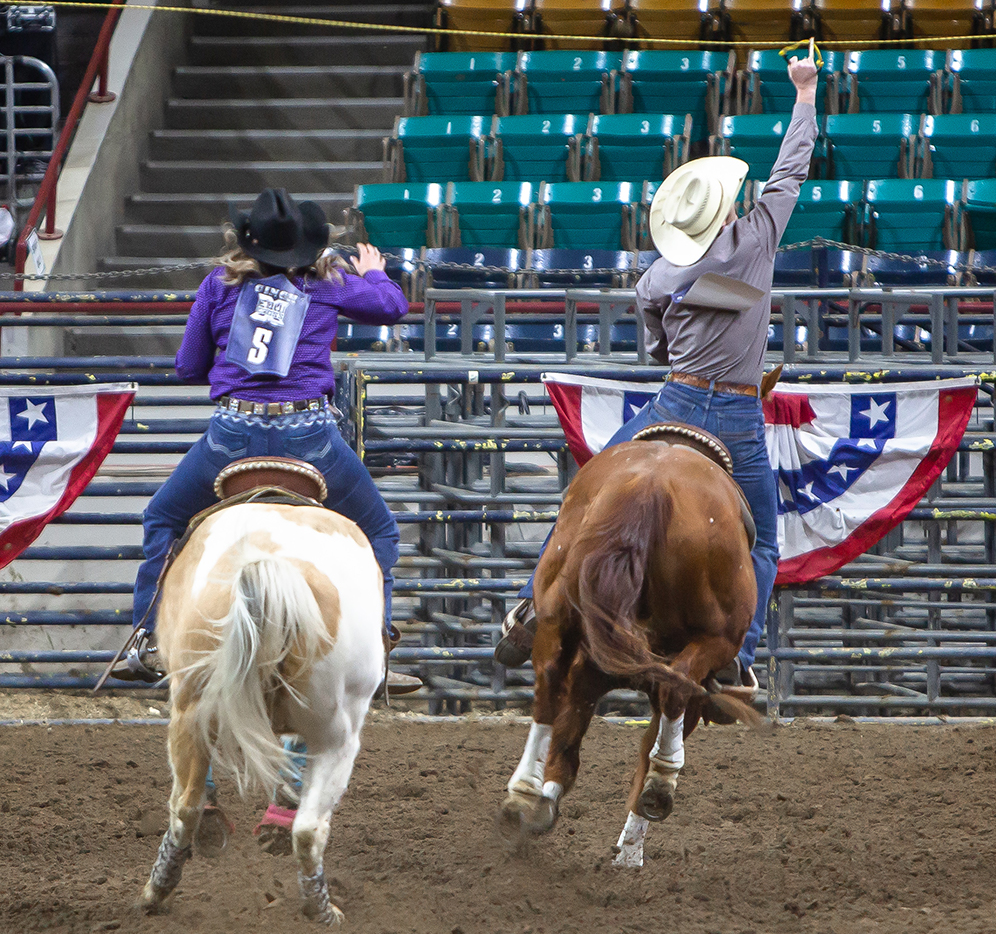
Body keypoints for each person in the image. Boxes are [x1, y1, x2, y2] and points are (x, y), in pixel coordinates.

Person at [495, 55, 822, 699]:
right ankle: (738, 654)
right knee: (762, 541)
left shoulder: (659, 276)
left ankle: (536, 605)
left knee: (584, 502)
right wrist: (805, 93)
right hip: (735, 414)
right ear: (728, 208)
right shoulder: (757, 240)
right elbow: (791, 170)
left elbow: (655, 345)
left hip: (674, 397)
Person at [111, 188, 422, 695]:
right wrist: (373, 271)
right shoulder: (325, 282)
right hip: (310, 437)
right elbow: (391, 307)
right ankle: (377, 648)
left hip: (231, 435)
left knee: (163, 518)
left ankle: (146, 641)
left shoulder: (218, 285)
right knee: (381, 531)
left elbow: (188, 366)